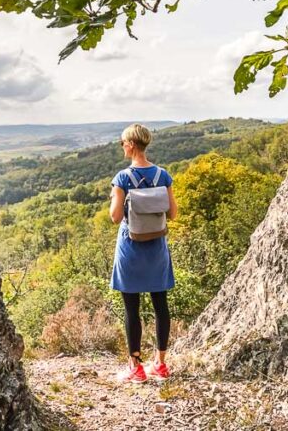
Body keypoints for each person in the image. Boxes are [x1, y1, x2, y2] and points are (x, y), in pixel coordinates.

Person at [109, 123, 179, 383]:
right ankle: (160, 364)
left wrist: (115, 199)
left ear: (130, 144)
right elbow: (173, 213)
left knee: (132, 309)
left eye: (122, 143)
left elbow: (115, 217)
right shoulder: (163, 175)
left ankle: (135, 368)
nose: (122, 147)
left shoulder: (122, 178)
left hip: (131, 249)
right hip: (157, 248)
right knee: (161, 305)